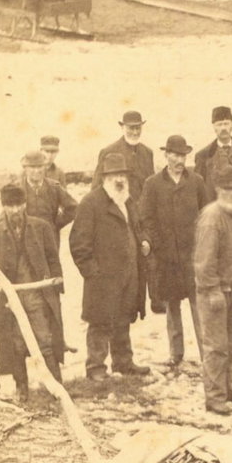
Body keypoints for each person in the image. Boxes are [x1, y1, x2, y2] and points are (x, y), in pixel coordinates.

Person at [0, 184, 63, 402]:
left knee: (45, 339)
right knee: (16, 344)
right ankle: (21, 388)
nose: (15, 210)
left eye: (18, 205)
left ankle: (57, 388)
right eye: (10, 206)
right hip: (10, 300)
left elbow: (53, 258)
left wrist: (56, 284)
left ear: (25, 205)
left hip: (36, 295)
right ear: (3, 206)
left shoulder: (41, 227)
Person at [71, 153, 150, 382]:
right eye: (114, 175)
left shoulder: (127, 200)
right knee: (100, 321)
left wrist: (145, 241)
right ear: (105, 178)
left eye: (122, 175)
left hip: (129, 273)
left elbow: (139, 227)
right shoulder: (91, 203)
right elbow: (79, 243)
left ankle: (123, 362)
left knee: (123, 317)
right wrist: (92, 273)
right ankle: (95, 366)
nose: (119, 179)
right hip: (103, 277)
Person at [141, 134, 214, 371]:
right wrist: (156, 244)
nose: (179, 159)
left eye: (183, 155)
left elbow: (208, 213)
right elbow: (146, 218)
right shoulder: (152, 184)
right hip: (167, 257)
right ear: (166, 155)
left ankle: (207, 355)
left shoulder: (196, 181)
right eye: (175, 154)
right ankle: (176, 353)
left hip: (193, 255)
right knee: (172, 306)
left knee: (199, 305)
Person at [193, 166, 232, 416]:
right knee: (216, 345)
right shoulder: (212, 217)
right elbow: (204, 261)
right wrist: (213, 290)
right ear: (219, 191)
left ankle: (227, 387)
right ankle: (214, 397)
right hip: (215, 292)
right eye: (230, 189)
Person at [19, 149, 78, 354]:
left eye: (39, 167)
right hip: (23, 249)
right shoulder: (18, 189)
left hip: (49, 248)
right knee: (28, 292)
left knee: (53, 289)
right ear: (25, 168)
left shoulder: (53, 188)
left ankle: (58, 341)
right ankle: (31, 345)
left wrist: (55, 225)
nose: (36, 172)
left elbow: (73, 207)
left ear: (45, 168)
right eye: (31, 168)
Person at [94, 110, 155, 202]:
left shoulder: (147, 153)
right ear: (122, 128)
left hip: (142, 211)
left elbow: (151, 185)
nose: (135, 132)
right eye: (131, 128)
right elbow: (96, 187)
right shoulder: (109, 152)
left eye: (138, 128)